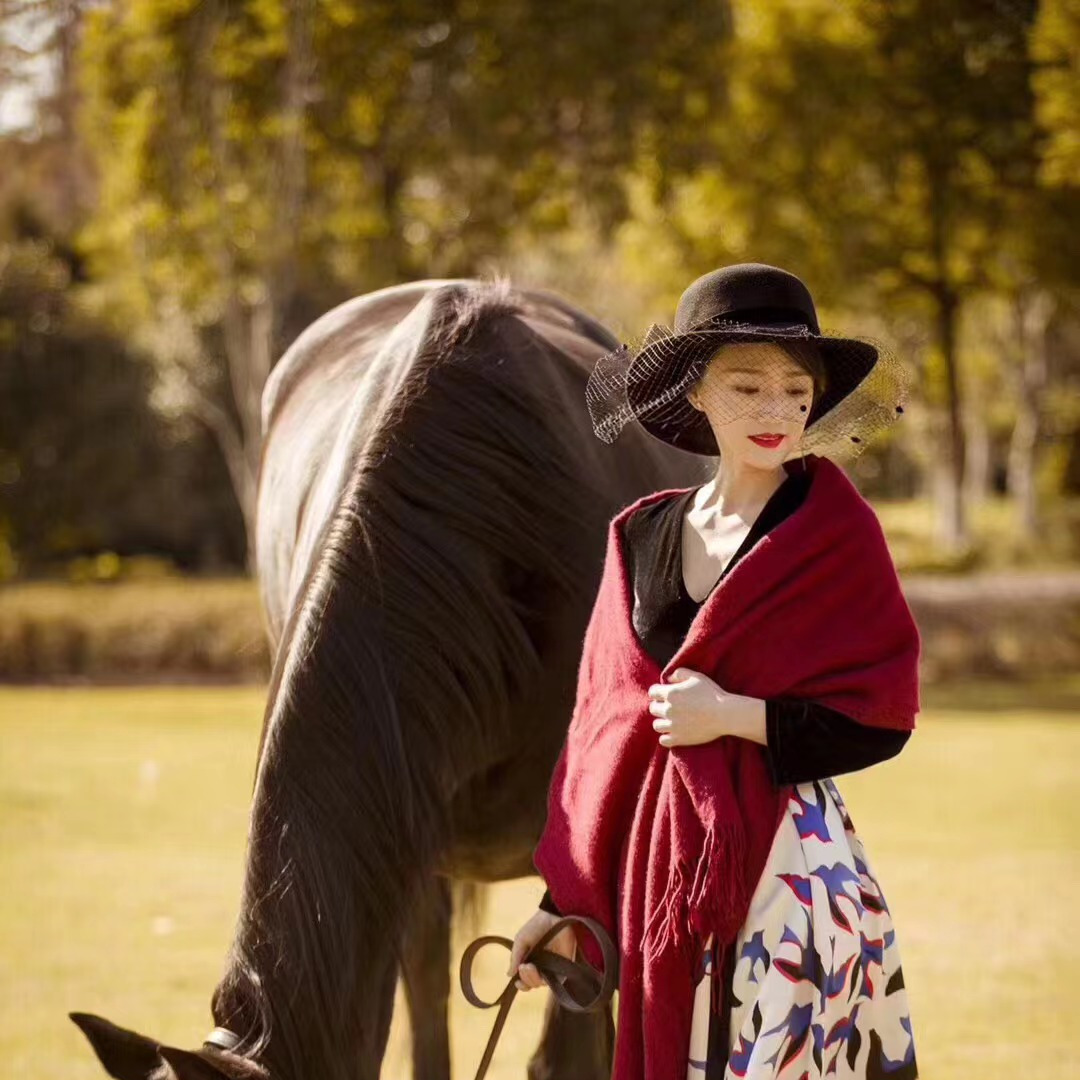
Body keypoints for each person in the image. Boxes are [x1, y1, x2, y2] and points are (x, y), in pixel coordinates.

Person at [509, 264, 920, 1079]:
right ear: (695, 391)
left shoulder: (835, 531)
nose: (776, 412)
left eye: (795, 391)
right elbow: (601, 732)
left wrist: (736, 715)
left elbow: (881, 715)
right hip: (658, 879)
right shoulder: (640, 536)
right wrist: (557, 906)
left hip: (792, 876)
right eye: (746, 387)